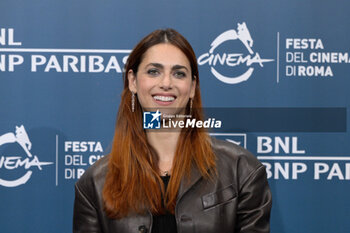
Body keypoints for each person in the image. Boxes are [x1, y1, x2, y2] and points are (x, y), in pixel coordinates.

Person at [73, 28, 272, 233]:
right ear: (132, 81)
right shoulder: (95, 182)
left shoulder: (241, 170)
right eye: (153, 71)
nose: (166, 83)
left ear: (192, 86)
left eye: (179, 73)